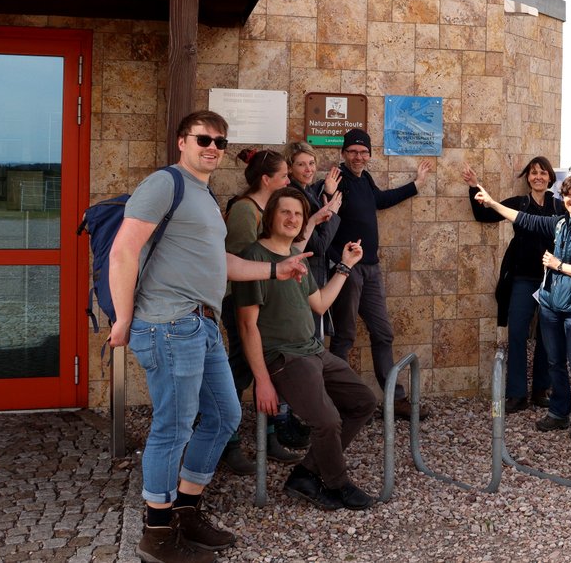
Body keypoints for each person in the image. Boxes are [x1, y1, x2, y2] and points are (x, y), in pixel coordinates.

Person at [108, 110, 311, 562]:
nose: (213, 147)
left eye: (220, 141)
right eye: (204, 139)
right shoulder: (166, 184)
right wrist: (123, 319)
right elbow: (124, 250)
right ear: (182, 141)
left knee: (223, 416)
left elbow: (223, 266)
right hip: (168, 324)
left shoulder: (202, 194)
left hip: (201, 324)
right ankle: (157, 535)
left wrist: (278, 269)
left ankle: (186, 509)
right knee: (172, 427)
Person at [235, 188, 379, 511]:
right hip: (284, 358)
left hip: (314, 351)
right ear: (270, 215)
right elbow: (247, 326)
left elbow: (321, 304)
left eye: (298, 214)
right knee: (327, 420)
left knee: (363, 401)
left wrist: (345, 265)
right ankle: (337, 483)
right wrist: (263, 380)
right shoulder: (254, 258)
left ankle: (305, 472)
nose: (292, 218)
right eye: (285, 212)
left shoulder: (296, 256)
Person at [473, 175, 571, 440]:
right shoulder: (558, 224)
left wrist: (557, 265)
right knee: (555, 362)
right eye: (569, 195)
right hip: (551, 306)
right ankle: (559, 412)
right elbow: (523, 219)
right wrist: (491, 203)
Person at [327, 128, 434, 420]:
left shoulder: (364, 179)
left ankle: (395, 401)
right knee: (344, 337)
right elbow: (325, 217)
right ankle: (339, 404)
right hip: (347, 270)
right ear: (343, 154)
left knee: (383, 333)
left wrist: (416, 184)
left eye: (363, 152)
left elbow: (381, 200)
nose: (358, 157)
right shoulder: (337, 181)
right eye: (353, 152)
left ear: (369, 155)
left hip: (371, 269)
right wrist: (341, 263)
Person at [220, 149, 303, 472]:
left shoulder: (268, 209)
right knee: (241, 370)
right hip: (242, 303)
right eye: (284, 175)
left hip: (264, 302)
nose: (289, 179)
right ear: (266, 180)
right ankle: (228, 444)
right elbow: (241, 264)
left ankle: (267, 439)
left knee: (264, 370)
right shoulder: (245, 211)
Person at [461, 156, 560, 413]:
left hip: (552, 279)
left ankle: (541, 389)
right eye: (533, 173)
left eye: (542, 173)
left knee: (547, 336)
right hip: (523, 278)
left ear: (550, 177)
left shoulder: (559, 207)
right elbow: (485, 214)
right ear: (527, 177)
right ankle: (517, 394)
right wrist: (474, 186)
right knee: (516, 334)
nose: (538, 177)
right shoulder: (519, 204)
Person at [284, 140, 344, 298]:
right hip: (304, 271)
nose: (308, 169)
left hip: (313, 270)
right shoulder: (295, 198)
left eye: (311, 163)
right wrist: (334, 212)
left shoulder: (307, 190)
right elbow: (318, 246)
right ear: (289, 168)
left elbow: (320, 223)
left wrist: (329, 194)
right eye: (301, 165)